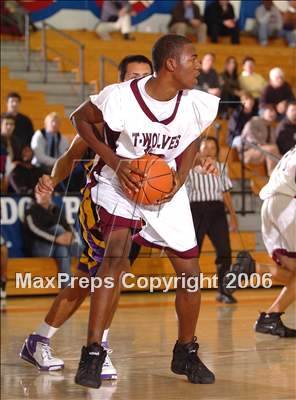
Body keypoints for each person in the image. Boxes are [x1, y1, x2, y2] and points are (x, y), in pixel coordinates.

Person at [71, 34, 220, 389]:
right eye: (193, 58)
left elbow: (192, 137)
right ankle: (93, 352)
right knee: (115, 258)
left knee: (190, 271)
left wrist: (179, 180)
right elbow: (80, 118)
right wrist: (116, 162)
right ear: (171, 63)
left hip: (162, 182)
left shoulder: (196, 102)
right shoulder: (122, 97)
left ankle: (185, 350)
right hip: (121, 180)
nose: (199, 64)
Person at [20, 54, 153, 379]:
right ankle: (99, 350)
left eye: (144, 76)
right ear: (121, 80)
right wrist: (53, 179)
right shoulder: (105, 113)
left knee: (88, 281)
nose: (138, 81)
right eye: (132, 76)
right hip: (101, 202)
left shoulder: (159, 115)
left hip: (139, 207)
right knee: (113, 270)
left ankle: (38, 340)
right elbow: (71, 155)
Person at [229, 147, 296, 337]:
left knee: (293, 272)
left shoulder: (291, 151)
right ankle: (271, 316)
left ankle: (254, 268)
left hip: (273, 204)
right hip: (287, 204)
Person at [186, 136, 238, 304]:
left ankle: (223, 291)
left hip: (217, 211)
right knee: (193, 254)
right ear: (199, 150)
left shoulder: (222, 167)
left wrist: (233, 216)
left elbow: (226, 192)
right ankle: (189, 289)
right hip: (196, 211)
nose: (208, 150)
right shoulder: (189, 168)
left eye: (212, 147)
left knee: (224, 252)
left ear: (217, 150)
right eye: (205, 147)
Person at [24, 190, 76, 287]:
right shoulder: (31, 210)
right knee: (58, 228)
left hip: (57, 247)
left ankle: (67, 287)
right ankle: (79, 250)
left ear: (51, 195)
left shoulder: (56, 209)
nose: (44, 196)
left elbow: (68, 226)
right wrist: (56, 239)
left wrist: (72, 237)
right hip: (40, 248)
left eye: (46, 193)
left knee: (63, 251)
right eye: (40, 193)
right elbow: (35, 230)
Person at [240, 104, 280, 176]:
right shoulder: (254, 122)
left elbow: (273, 144)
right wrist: (263, 145)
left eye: (274, 111)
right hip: (247, 152)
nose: (273, 113)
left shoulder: (271, 127)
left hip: (263, 152)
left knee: (283, 156)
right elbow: (252, 140)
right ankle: (272, 176)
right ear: (262, 112)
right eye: (270, 111)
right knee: (271, 149)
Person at [5, 92, 34, 160]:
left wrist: (27, 151)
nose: (14, 104)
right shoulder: (1, 119)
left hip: (22, 156)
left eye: (16, 102)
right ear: (7, 103)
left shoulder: (26, 120)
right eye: (12, 101)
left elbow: (31, 138)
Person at [0, 113, 16, 191]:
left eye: (12, 124)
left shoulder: (17, 141)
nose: (9, 126)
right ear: (1, 125)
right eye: (6, 124)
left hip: (14, 174)